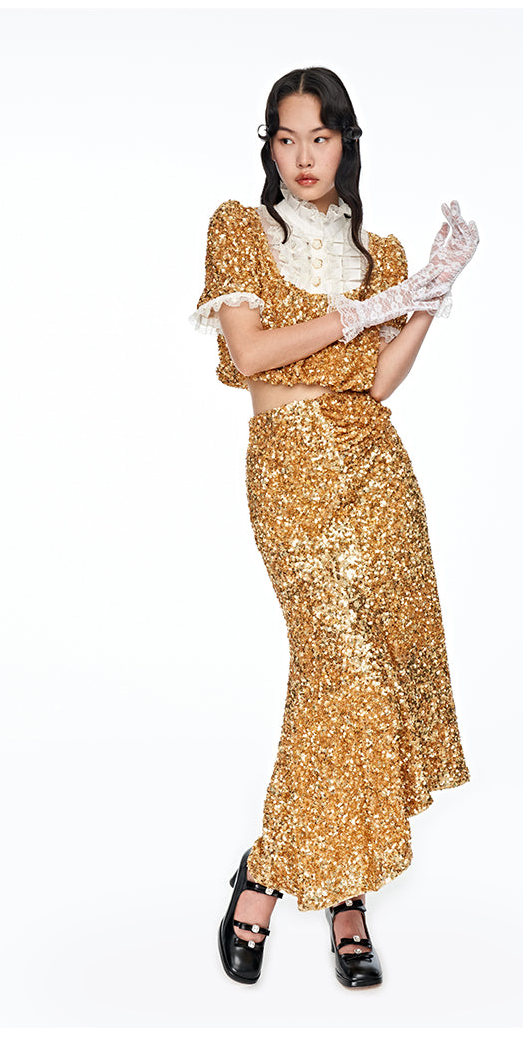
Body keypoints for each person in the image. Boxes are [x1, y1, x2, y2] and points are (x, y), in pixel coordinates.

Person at [189, 67, 478, 990]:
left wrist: (427, 290)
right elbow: (250, 353)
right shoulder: (241, 228)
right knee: (341, 671)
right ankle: (277, 879)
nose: (303, 156)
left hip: (375, 472)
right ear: (269, 146)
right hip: (290, 468)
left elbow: (382, 380)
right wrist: (360, 312)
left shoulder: (378, 248)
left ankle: (323, 890)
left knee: (365, 680)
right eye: (286, 138)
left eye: (319, 137)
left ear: (345, 143)